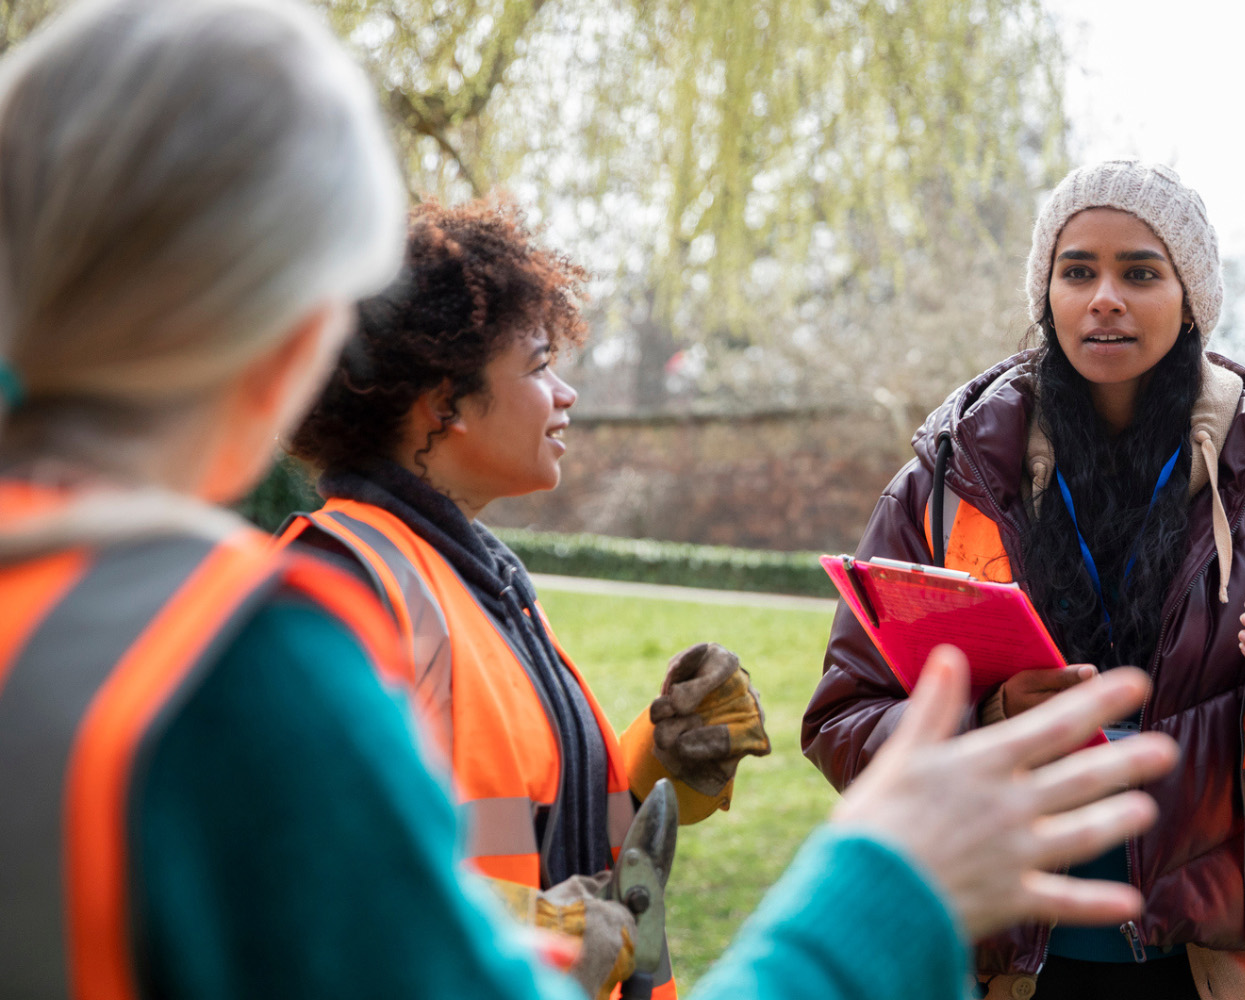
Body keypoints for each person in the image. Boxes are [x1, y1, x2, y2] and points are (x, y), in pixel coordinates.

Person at [0, 2, 1183, 998]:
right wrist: (893, 881)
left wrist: (640, 768)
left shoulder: (441, 578)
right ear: (303, 326)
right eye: (537, 368)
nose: (566, 396)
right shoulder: (257, 655)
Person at [802, 160, 1245, 999]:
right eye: (1076, 270)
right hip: (989, 965)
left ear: (1192, 299)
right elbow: (842, 722)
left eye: (1140, 273)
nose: (1104, 297)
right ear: (1046, 293)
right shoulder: (942, 482)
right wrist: (988, 720)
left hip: (1197, 972)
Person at [280, 197, 764, 998]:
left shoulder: (476, 576)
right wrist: (528, 936)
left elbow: (545, 828)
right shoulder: (338, 584)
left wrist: (662, 760)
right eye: (539, 367)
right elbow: (301, 884)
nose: (566, 394)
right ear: (444, 403)